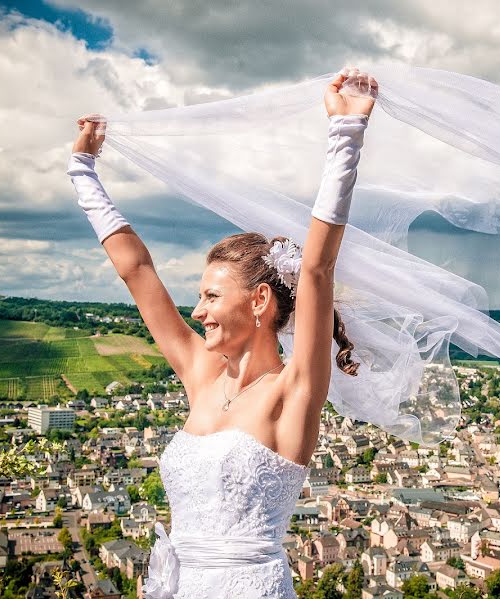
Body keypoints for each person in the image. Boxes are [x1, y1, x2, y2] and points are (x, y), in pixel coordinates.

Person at [67, 68, 377, 598]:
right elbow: (137, 271)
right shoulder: (201, 375)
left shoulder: (292, 392)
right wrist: (82, 172)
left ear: (259, 302)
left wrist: (345, 135)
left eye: (212, 296)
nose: (198, 310)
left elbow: (317, 268)